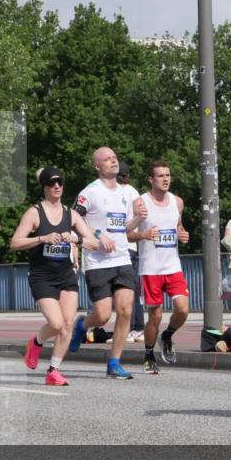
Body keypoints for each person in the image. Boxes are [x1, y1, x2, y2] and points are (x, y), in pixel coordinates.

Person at [10, 167, 98, 386]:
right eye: (51, 183)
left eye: (59, 182)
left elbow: (93, 242)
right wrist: (41, 239)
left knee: (68, 324)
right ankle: (36, 342)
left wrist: (75, 239)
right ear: (45, 187)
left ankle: (53, 371)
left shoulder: (71, 214)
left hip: (66, 275)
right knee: (57, 323)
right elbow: (15, 242)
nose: (56, 186)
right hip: (42, 276)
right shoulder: (34, 213)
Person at [69, 147, 145, 380]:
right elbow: (72, 219)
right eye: (107, 159)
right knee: (102, 316)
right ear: (97, 166)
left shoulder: (125, 193)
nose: (113, 161)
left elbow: (122, 229)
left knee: (125, 310)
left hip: (122, 258)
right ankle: (82, 325)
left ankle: (114, 362)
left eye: (114, 158)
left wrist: (138, 219)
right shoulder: (89, 192)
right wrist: (98, 234)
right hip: (98, 261)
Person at [128, 160, 191, 374]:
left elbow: (178, 226)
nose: (165, 179)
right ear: (151, 179)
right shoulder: (140, 203)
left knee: (183, 309)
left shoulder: (177, 202)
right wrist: (143, 234)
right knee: (155, 316)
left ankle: (167, 335)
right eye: (160, 176)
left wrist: (183, 235)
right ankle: (148, 354)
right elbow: (126, 233)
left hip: (172, 266)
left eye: (168, 175)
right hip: (150, 268)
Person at [116, 162, 145, 342]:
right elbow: (142, 213)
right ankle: (138, 328)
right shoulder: (134, 191)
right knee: (133, 288)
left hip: (122, 245)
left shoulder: (117, 191)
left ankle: (127, 329)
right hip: (131, 245)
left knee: (123, 290)